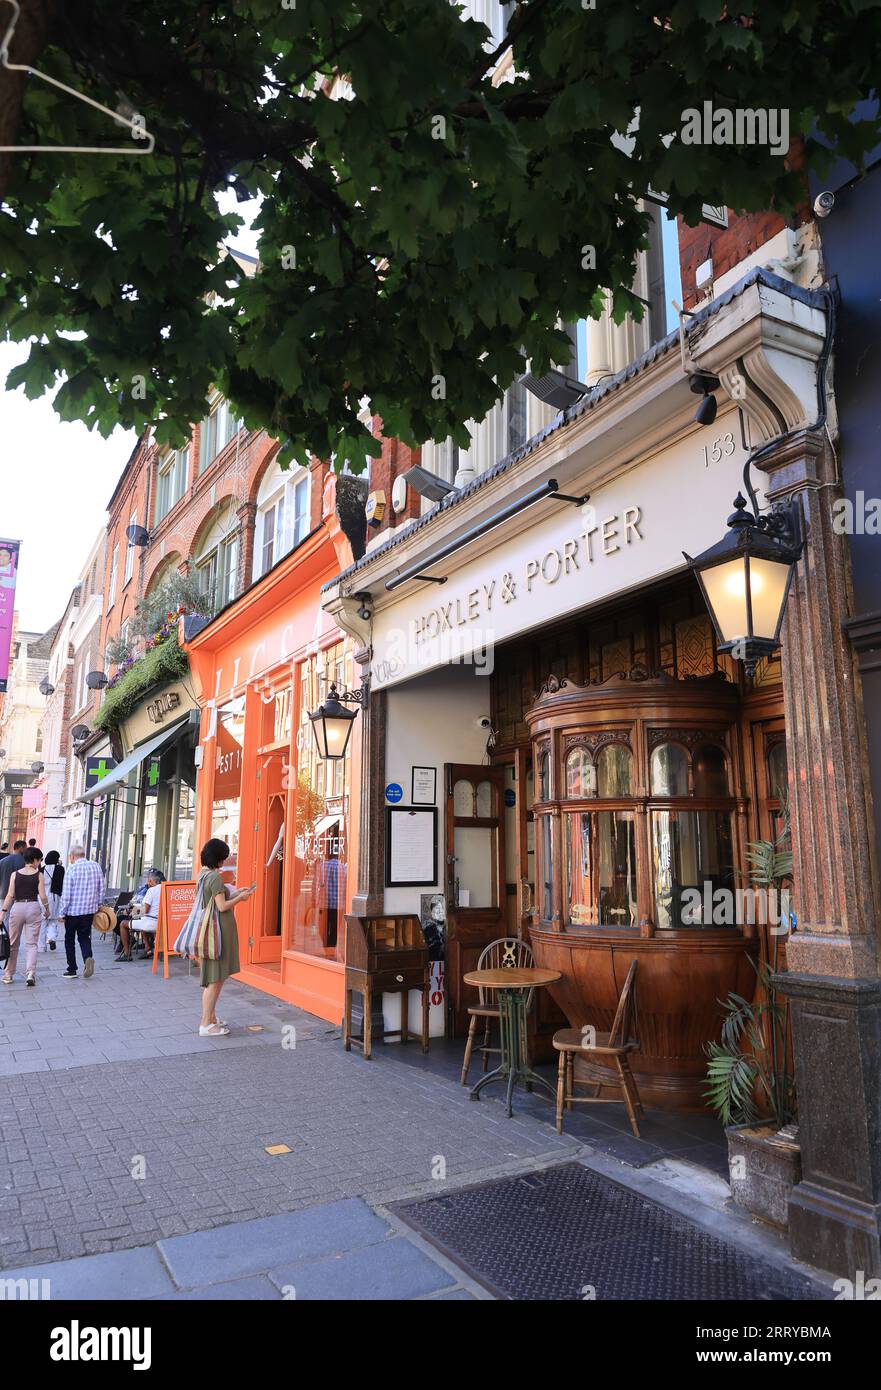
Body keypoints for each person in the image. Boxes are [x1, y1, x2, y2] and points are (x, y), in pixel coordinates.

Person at [197, 838, 254, 1036]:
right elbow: (221, 907)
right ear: (219, 858)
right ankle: (206, 1023)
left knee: (215, 977)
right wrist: (241, 898)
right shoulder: (214, 878)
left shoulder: (203, 875)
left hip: (213, 931)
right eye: (224, 856)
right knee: (216, 979)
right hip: (218, 933)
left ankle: (211, 1017)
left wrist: (235, 892)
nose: (225, 860)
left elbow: (216, 900)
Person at [2, 847, 49, 986]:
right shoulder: (38, 875)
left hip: (17, 907)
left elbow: (10, 895)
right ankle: (30, 973)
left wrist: (3, 911)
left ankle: (8, 974)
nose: (39, 862)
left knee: (12, 943)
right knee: (32, 944)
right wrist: (47, 909)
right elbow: (43, 896)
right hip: (33, 907)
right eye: (40, 860)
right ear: (35, 860)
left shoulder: (15, 875)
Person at [57, 844, 105, 980]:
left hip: (72, 912)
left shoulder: (71, 869)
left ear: (72, 856)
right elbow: (102, 888)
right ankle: (87, 958)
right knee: (84, 937)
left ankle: (72, 969)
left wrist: (62, 913)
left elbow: (66, 894)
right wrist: (99, 904)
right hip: (89, 910)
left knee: (69, 940)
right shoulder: (95, 866)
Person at [132, 867, 164, 958]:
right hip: (163, 923)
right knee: (143, 921)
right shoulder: (165, 888)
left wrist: (135, 912)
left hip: (151, 923)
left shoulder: (151, 890)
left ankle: (127, 953)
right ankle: (148, 947)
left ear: (151, 881)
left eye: (149, 881)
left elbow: (146, 910)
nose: (148, 883)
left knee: (123, 923)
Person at [40, 850, 64, 952]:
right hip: (55, 897)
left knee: (43, 921)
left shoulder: (41, 869)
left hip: (43, 896)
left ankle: (41, 946)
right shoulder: (60, 869)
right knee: (53, 920)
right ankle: (51, 938)